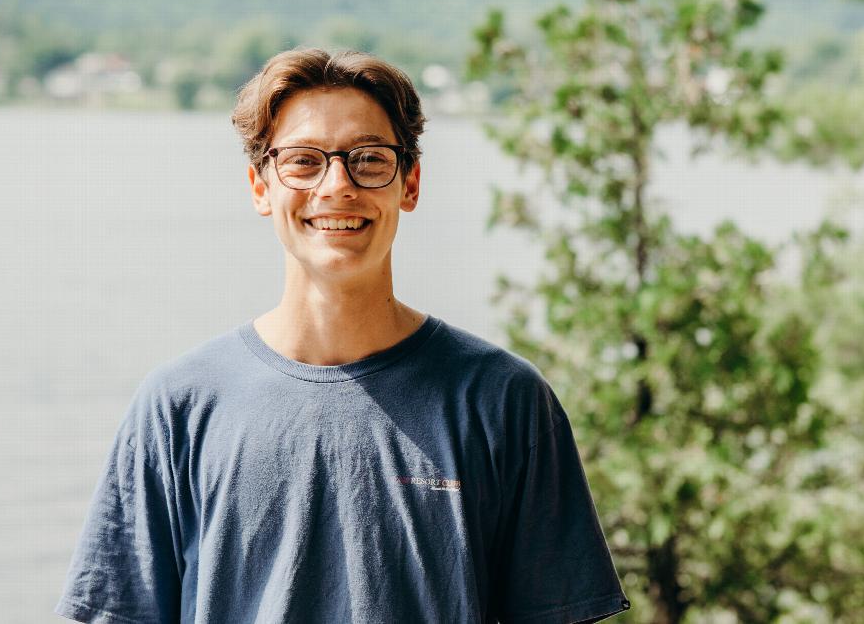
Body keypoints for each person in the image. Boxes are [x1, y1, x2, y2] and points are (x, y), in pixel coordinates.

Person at [54, 47, 630, 623]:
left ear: (409, 183)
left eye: (369, 159)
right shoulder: (179, 407)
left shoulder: (501, 400)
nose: (337, 185)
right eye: (303, 161)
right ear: (260, 187)